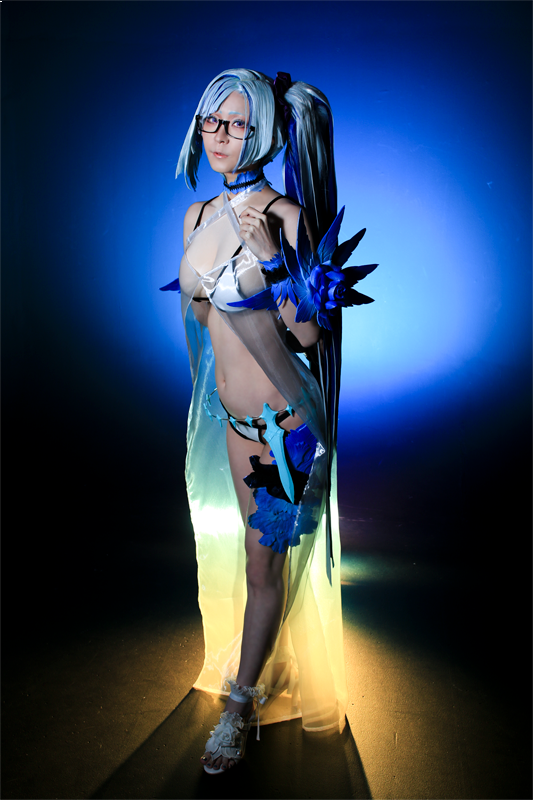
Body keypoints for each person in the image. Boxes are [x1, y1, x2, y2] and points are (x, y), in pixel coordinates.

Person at [161, 68, 376, 774]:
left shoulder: (286, 217)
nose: (221, 136)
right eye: (211, 121)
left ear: (265, 130)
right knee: (257, 563)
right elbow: (201, 319)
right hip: (234, 424)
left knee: (262, 566)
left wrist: (269, 262)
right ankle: (257, 668)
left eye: (238, 124)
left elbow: (309, 336)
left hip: (286, 434)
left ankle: (237, 708)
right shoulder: (195, 215)